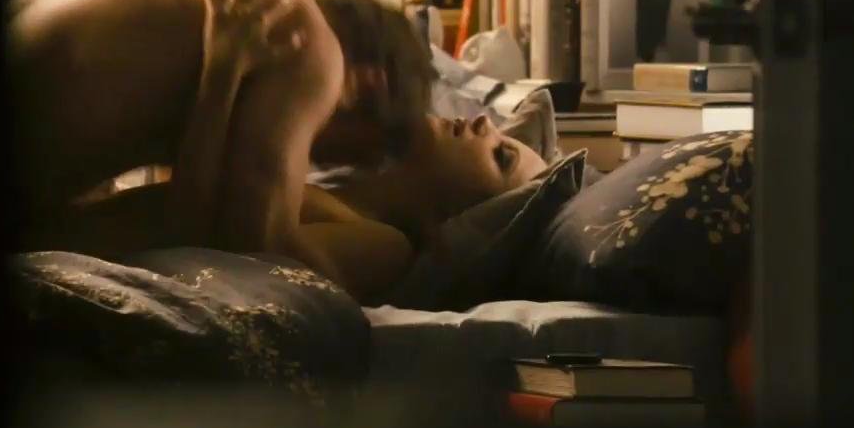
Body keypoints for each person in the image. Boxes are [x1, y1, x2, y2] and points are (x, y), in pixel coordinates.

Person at [9, 0, 437, 277]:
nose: (308, 163)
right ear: (369, 84)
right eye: (332, 154)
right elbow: (255, 254)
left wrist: (221, 76)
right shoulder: (300, 41)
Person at [35, 112, 547, 304]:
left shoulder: (385, 245)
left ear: (460, 213)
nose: (485, 123)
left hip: (61, 250)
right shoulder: (334, 187)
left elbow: (256, 247)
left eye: (501, 155)